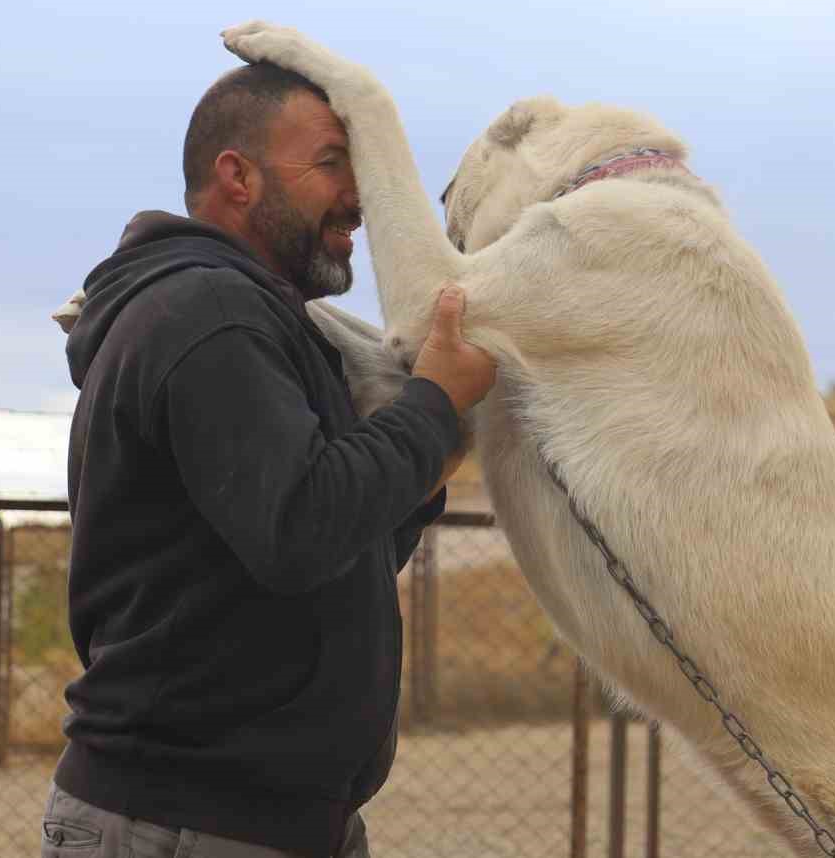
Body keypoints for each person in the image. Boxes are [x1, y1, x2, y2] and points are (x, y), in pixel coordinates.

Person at [46, 61, 498, 858]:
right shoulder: (209, 313)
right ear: (238, 177)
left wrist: (424, 452)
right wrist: (431, 405)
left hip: (256, 824)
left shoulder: (262, 324)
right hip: (184, 827)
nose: (358, 194)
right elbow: (301, 527)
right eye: (330, 163)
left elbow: (340, 555)